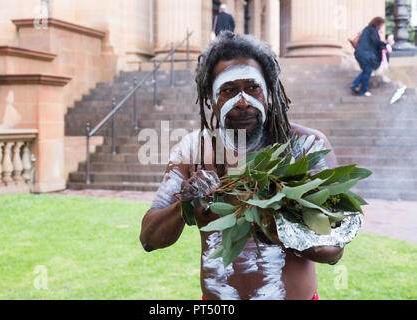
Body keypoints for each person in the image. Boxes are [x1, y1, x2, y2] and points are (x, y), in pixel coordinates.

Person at [139, 31, 343, 300]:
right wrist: (185, 203)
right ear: (211, 98)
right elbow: (149, 239)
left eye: (252, 87)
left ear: (269, 89)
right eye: (229, 90)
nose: (243, 102)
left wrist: (279, 223)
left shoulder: (306, 147)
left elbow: (334, 251)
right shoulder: (192, 150)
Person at [351, 17, 387, 97]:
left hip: (360, 54)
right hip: (365, 55)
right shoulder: (372, 30)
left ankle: (356, 84)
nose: (381, 27)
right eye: (381, 25)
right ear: (378, 24)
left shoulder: (366, 30)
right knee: (367, 71)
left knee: (367, 71)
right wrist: (385, 45)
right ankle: (363, 90)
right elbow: (376, 42)